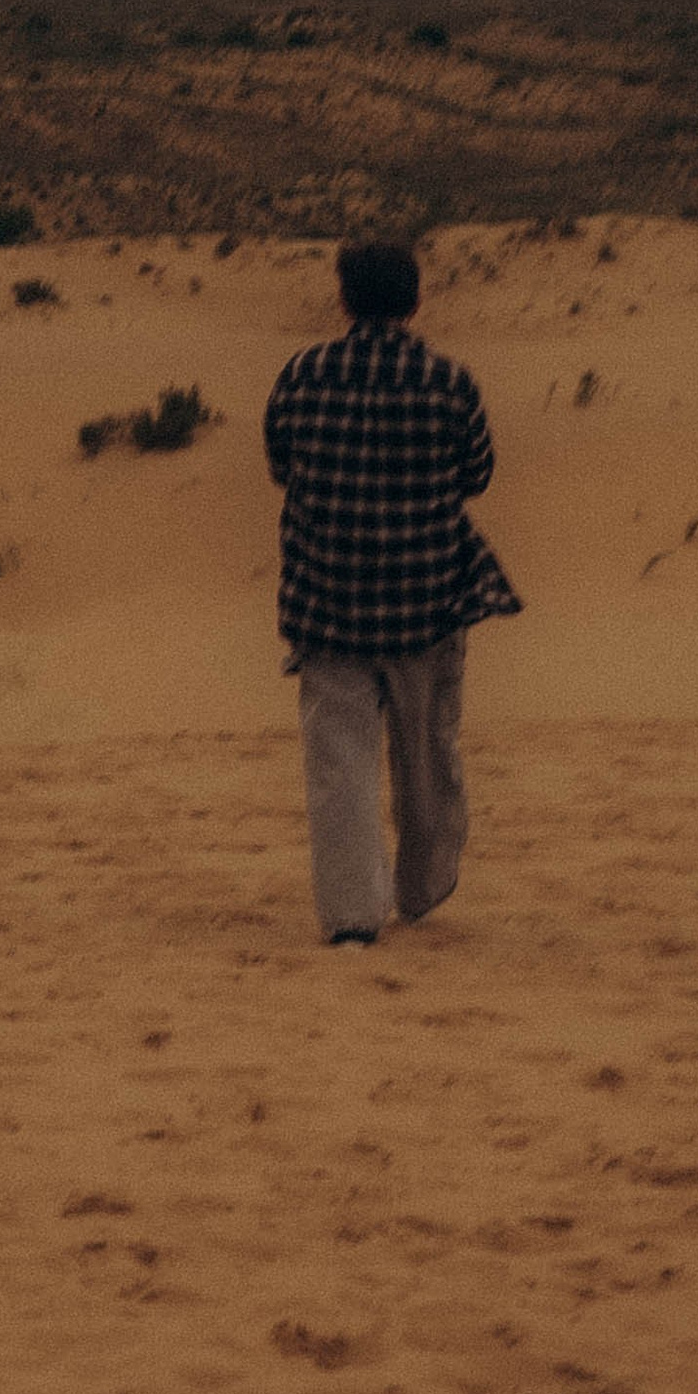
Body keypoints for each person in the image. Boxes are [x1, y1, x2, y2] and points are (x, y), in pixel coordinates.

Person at [263, 239, 521, 945]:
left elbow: (279, 462)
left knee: (337, 763)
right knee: (426, 750)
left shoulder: (304, 373)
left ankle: (350, 918)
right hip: (427, 597)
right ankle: (422, 887)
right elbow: (478, 474)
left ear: (345, 298)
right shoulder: (450, 381)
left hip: (327, 595)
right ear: (414, 300)